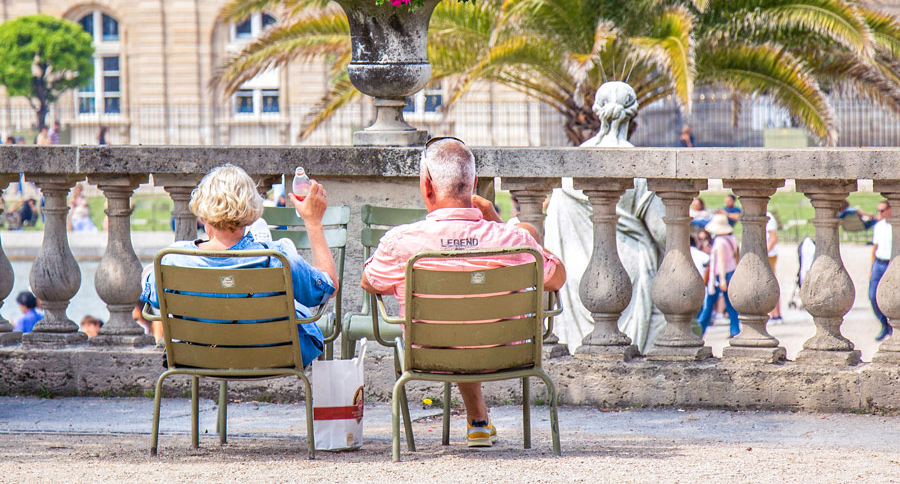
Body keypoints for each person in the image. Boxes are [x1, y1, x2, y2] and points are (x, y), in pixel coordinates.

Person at [361, 137, 565, 448]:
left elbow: (369, 281)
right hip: (508, 354)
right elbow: (558, 277)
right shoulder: (513, 241)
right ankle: (478, 419)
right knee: (472, 317)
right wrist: (499, 223)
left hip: (431, 355)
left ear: (427, 187)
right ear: (473, 185)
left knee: (453, 328)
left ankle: (476, 419)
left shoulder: (401, 242)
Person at [141, 164, 338, 367]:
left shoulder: (173, 258)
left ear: (202, 210)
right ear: (252, 209)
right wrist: (313, 222)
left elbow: (151, 296)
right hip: (275, 355)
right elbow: (327, 287)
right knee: (289, 300)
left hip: (199, 357)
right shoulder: (278, 257)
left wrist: (150, 270)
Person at [544, 81, 667, 354]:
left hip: (576, 273)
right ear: (632, 112)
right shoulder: (639, 164)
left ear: (597, 110)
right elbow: (663, 232)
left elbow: (554, 230)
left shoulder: (572, 167)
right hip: (628, 270)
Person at [697, 213, 741, 338]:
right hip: (731, 271)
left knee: (709, 304)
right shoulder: (731, 238)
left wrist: (721, 279)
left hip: (722, 275)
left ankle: (699, 329)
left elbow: (721, 262)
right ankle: (734, 330)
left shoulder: (720, 242)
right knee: (731, 305)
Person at [871, 201, 893, 341]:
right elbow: (874, 248)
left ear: (890, 209)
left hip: (892, 263)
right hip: (879, 263)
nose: (880, 213)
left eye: (882, 210)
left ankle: (892, 327)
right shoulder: (879, 226)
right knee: (873, 295)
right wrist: (871, 268)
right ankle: (884, 324)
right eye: (879, 211)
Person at [766, 212, 782, 323]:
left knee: (770, 283)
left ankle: (775, 313)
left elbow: (773, 237)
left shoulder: (769, 216)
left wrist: (764, 251)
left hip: (769, 254)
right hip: (768, 254)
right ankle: (773, 313)